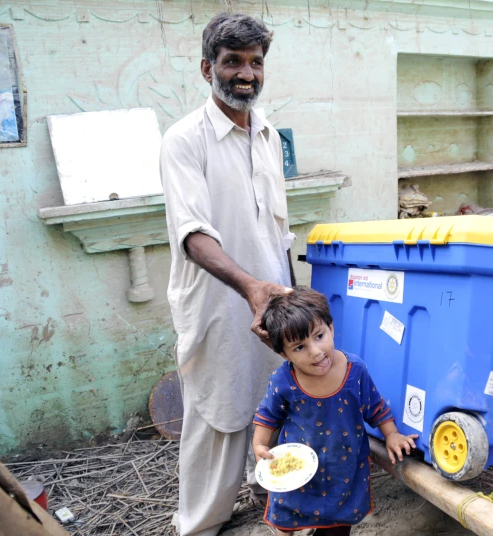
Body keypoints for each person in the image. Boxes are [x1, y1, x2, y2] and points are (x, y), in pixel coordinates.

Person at [160, 13, 296, 536]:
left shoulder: (265, 134)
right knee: (217, 412)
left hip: (270, 299)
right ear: (206, 68)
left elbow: (277, 229)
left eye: (255, 62)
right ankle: (200, 524)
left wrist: (287, 294)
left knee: (276, 403)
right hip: (218, 304)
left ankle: (276, 504)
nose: (246, 73)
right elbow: (193, 236)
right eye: (233, 61)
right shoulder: (184, 140)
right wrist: (251, 288)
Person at [252, 287, 418, 535]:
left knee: (337, 525)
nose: (315, 351)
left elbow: (375, 407)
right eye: (299, 347)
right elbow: (268, 416)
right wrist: (259, 445)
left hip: (343, 469)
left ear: (331, 327)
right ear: (283, 353)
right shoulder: (283, 380)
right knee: (288, 519)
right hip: (298, 473)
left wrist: (391, 434)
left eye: (319, 336)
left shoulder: (355, 371)